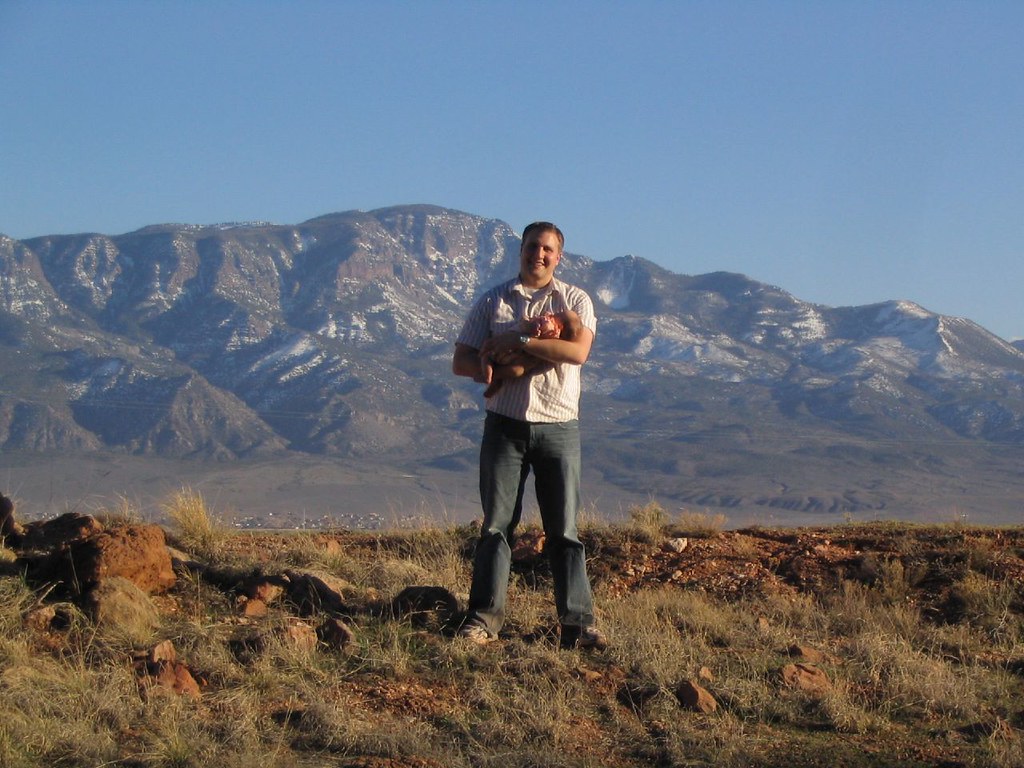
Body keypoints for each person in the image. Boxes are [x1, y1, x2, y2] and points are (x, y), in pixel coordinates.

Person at [452, 221, 606, 649]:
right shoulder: (493, 299)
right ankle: (483, 618)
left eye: (548, 250)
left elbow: (577, 352)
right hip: (505, 426)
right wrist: (492, 369)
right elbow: (460, 359)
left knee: (564, 530)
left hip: (559, 426)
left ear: (559, 257)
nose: (539, 255)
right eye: (532, 247)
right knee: (497, 527)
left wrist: (517, 339)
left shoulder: (574, 300)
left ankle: (577, 623)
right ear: (520, 250)